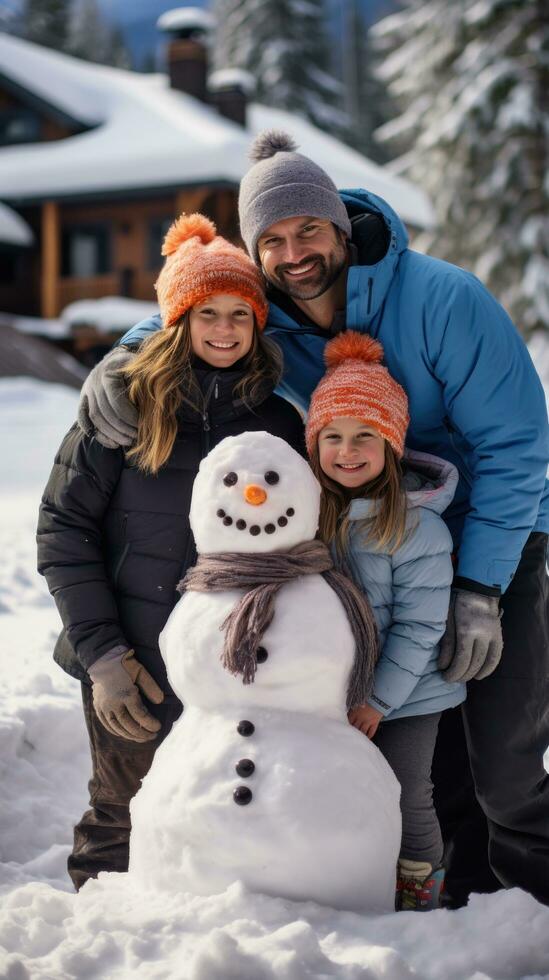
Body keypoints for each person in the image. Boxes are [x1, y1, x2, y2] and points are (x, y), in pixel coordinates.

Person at [76, 131, 549, 908]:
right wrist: (126, 353)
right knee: (422, 747)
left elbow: (517, 446)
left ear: (341, 227)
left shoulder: (442, 300)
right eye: (272, 240)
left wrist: (479, 587)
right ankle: (459, 906)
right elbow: (198, 305)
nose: (293, 253)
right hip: (371, 539)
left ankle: (533, 914)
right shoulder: (270, 316)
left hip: (486, 533)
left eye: (308, 232)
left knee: (501, 759)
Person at [37, 213, 305, 890]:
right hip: (135, 658)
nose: (223, 329)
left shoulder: (275, 418)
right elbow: (64, 532)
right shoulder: (124, 406)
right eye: (206, 312)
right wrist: (104, 659)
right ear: (176, 319)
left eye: (239, 314)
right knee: (121, 812)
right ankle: (97, 935)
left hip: (227, 664)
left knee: (215, 808)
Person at [305, 329, 465, 910]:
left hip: (411, 693)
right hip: (337, 689)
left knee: (404, 791)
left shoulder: (418, 528)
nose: (348, 451)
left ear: (391, 446)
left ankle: (420, 893)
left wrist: (378, 702)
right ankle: (351, 881)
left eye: (365, 436)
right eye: (334, 437)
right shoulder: (309, 516)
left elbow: (421, 628)